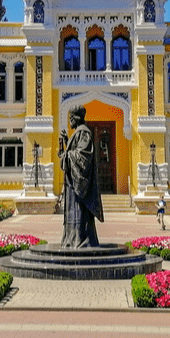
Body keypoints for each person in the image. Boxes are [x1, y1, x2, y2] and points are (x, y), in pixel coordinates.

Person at [58, 105, 103, 248]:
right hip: (72, 185)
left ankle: (81, 241)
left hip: (79, 189)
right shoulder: (77, 133)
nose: (69, 121)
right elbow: (76, 152)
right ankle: (71, 240)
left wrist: (65, 155)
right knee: (73, 213)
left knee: (79, 213)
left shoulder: (84, 133)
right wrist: (66, 143)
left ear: (76, 119)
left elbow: (83, 158)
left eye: (71, 118)